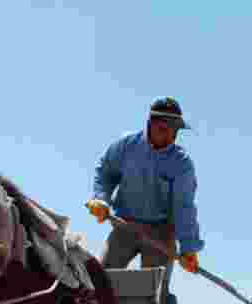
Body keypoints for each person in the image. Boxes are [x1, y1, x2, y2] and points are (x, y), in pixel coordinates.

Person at [85, 97, 203, 288]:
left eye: (174, 131)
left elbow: (184, 207)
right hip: (124, 225)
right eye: (164, 129)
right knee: (100, 282)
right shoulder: (125, 146)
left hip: (161, 233)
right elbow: (105, 172)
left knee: (154, 291)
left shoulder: (182, 164)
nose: (169, 136)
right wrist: (100, 199)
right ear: (150, 124)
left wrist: (189, 247)